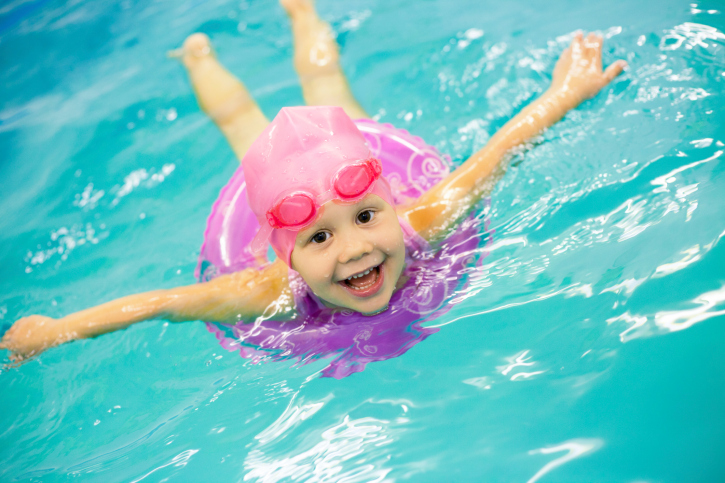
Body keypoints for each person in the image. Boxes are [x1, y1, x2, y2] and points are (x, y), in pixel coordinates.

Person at [0, 0, 626, 362]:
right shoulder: (267, 290)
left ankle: (300, 10)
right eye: (319, 239)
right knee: (243, 125)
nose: (355, 248)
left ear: (388, 207)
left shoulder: (425, 219)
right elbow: (164, 303)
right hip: (277, 182)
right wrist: (60, 329)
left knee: (329, 87)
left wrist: (564, 92)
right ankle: (196, 57)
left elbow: (497, 154)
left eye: (364, 218)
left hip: (344, 147)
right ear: (289, 255)